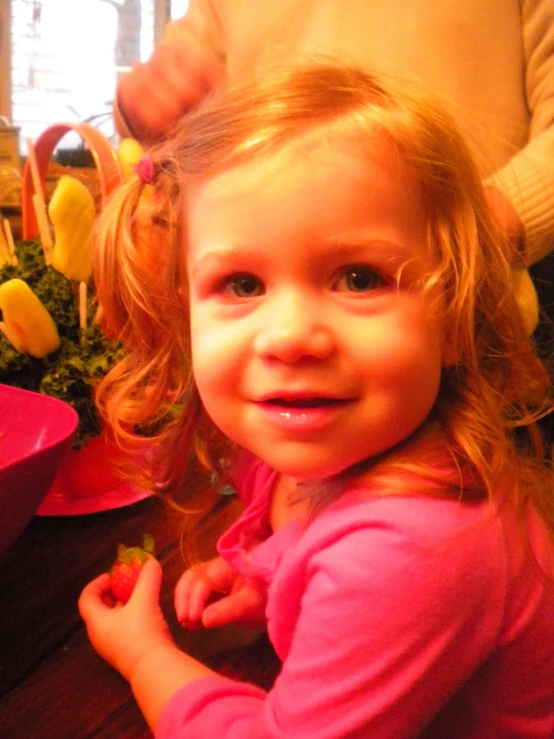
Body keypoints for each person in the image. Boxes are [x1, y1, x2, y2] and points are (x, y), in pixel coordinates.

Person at [79, 61, 554, 739]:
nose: (292, 337)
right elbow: (324, 530)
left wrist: (146, 654)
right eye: (242, 284)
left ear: (454, 317)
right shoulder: (321, 452)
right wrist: (272, 582)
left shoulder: (417, 548)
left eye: (359, 278)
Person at [114, 0, 554, 284]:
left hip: (485, 307)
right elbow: (176, 83)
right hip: (259, 293)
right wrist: (144, 108)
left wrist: (473, 239)